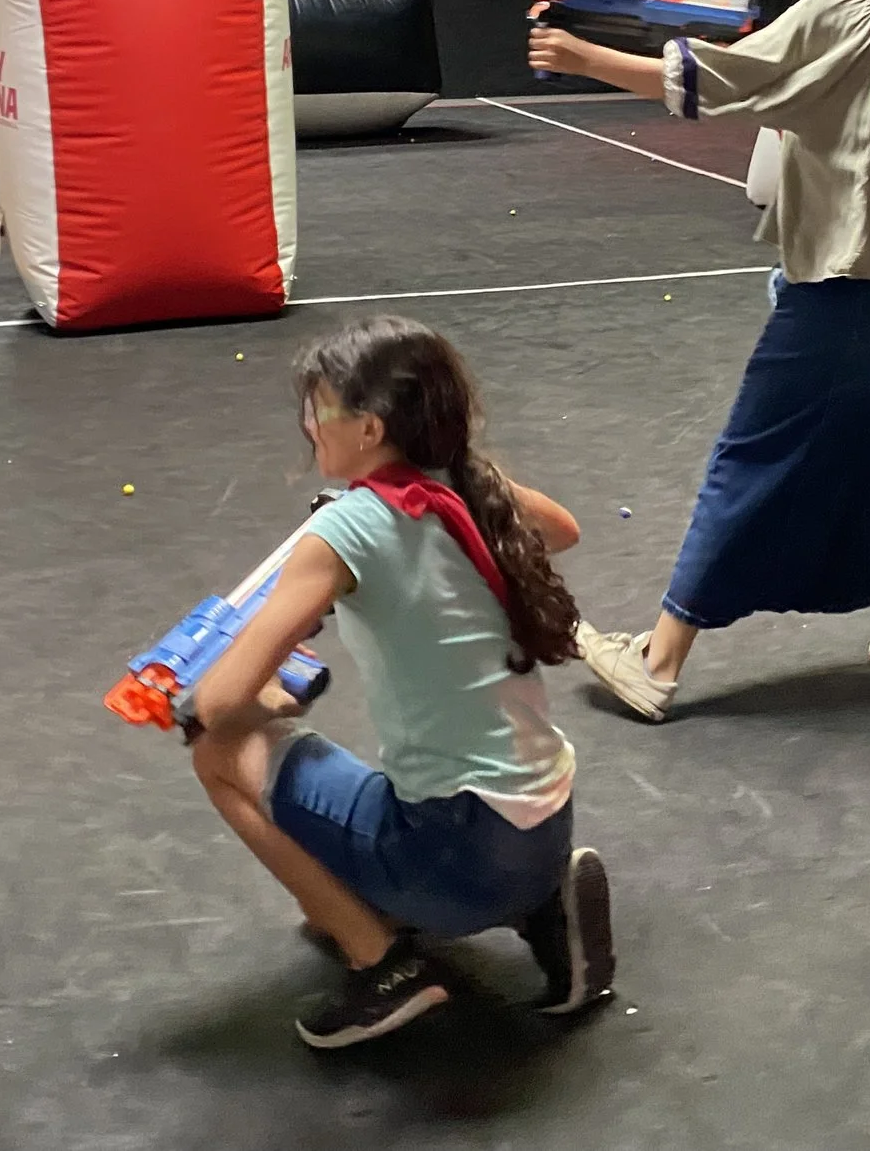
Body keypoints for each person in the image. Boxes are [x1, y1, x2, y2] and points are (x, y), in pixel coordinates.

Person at [525, 0, 870, 719]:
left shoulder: (843, 12)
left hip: (844, 291)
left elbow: (717, 80)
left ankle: (657, 665)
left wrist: (581, 54)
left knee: (748, 460)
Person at [180, 316, 614, 1047]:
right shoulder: (471, 486)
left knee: (218, 754)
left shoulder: (344, 532)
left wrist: (236, 699)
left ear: (371, 426)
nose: (309, 424)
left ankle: (381, 965)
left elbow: (218, 701)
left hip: (453, 853)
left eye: (320, 409)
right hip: (546, 819)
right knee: (352, 845)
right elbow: (562, 528)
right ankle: (542, 903)